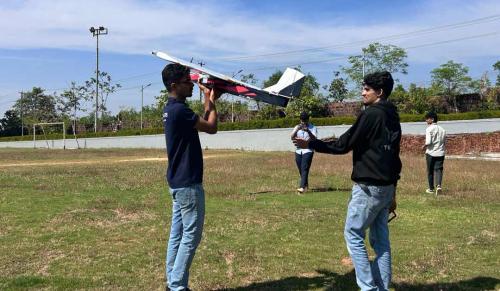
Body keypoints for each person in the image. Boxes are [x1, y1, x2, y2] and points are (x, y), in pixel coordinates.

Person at [294, 71, 401, 291]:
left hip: (369, 187)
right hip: (386, 187)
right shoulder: (393, 115)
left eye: (367, 89)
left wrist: (312, 145)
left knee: (353, 234)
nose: (362, 93)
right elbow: (395, 157)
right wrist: (393, 193)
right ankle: (381, 287)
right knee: (381, 242)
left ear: (379, 92)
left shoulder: (371, 114)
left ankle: (368, 288)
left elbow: (344, 144)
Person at [162, 63, 221, 291]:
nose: (192, 85)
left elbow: (203, 123)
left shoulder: (171, 109)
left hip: (178, 182)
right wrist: (212, 102)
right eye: (188, 82)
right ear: (174, 85)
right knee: (191, 237)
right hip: (188, 184)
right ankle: (177, 286)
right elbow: (212, 127)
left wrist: (210, 99)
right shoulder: (180, 111)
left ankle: (173, 282)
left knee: (177, 236)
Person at [291, 111, 318, 193]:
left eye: (305, 120)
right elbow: (292, 137)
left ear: (308, 120)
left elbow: (314, 139)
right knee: (301, 169)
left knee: (304, 168)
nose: (303, 122)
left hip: (308, 150)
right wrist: (297, 130)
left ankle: (302, 187)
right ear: (300, 120)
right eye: (302, 120)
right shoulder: (297, 127)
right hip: (298, 151)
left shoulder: (313, 127)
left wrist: (308, 131)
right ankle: (305, 185)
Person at [421, 111, 446, 195]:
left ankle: (431, 189)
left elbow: (428, 142)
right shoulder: (442, 129)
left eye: (427, 119)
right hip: (441, 152)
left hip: (431, 153)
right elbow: (444, 142)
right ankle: (438, 186)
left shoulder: (429, 129)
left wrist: (423, 146)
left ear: (432, 119)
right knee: (438, 169)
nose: (426, 120)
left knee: (430, 170)